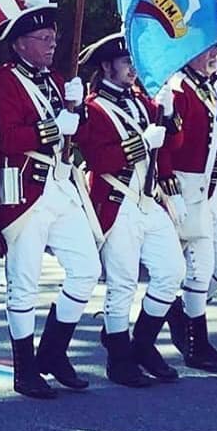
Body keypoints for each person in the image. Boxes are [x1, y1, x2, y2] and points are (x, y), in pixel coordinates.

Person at [0, 0, 101, 399]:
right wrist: (54, 126)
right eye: (43, 38)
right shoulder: (1, 83)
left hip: (60, 187)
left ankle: (53, 351)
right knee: (24, 281)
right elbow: (6, 139)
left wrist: (77, 110)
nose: (52, 45)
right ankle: (24, 366)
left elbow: (77, 134)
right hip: (22, 189)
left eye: (54, 38)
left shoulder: (54, 80)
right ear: (20, 44)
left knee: (87, 268)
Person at [76, 33, 184, 387]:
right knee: (122, 283)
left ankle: (142, 345)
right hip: (117, 201)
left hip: (147, 200)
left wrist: (169, 113)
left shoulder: (141, 101)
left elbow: (173, 145)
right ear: (107, 66)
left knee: (171, 272)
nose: (133, 69)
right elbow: (98, 159)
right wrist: (139, 144)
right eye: (127, 63)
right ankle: (119, 358)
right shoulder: (93, 107)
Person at [164, 44, 217, 374]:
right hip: (192, 188)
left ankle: (179, 312)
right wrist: (170, 188)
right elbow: (170, 147)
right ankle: (195, 341)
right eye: (207, 50)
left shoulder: (214, 87)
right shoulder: (178, 88)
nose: (215, 56)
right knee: (198, 268)